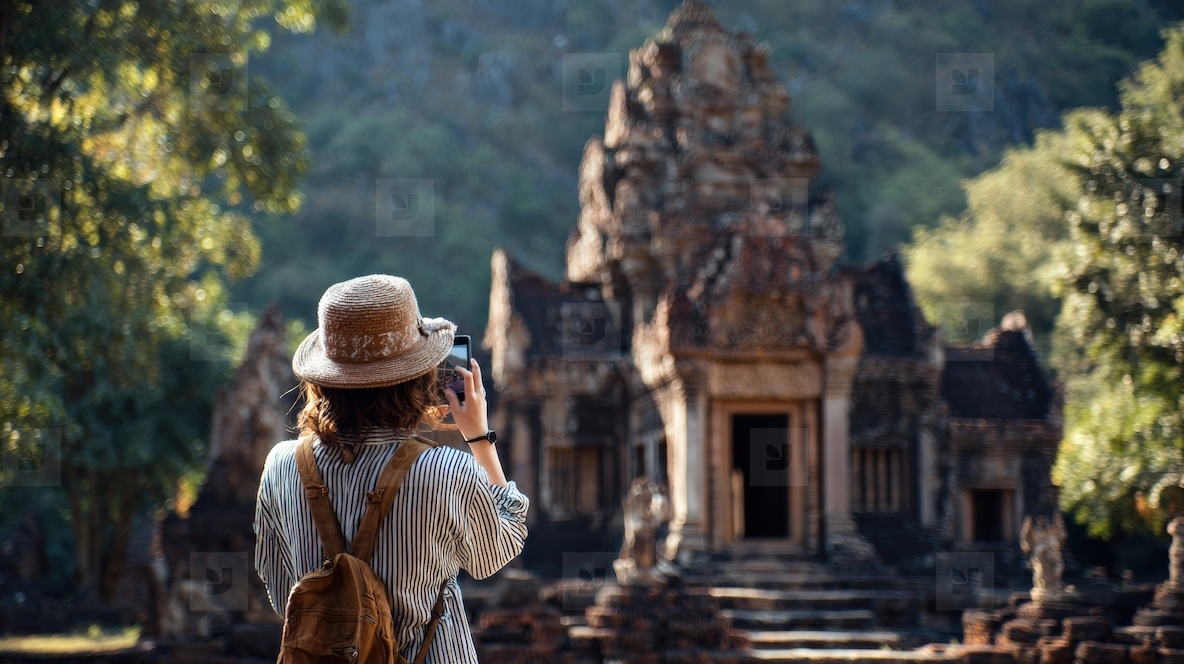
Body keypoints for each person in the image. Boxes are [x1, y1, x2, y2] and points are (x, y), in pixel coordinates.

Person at [253, 274, 528, 663]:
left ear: (325, 379)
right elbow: (496, 552)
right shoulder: (448, 470)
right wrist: (480, 440)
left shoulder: (280, 466)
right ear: (418, 377)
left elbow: (285, 595)